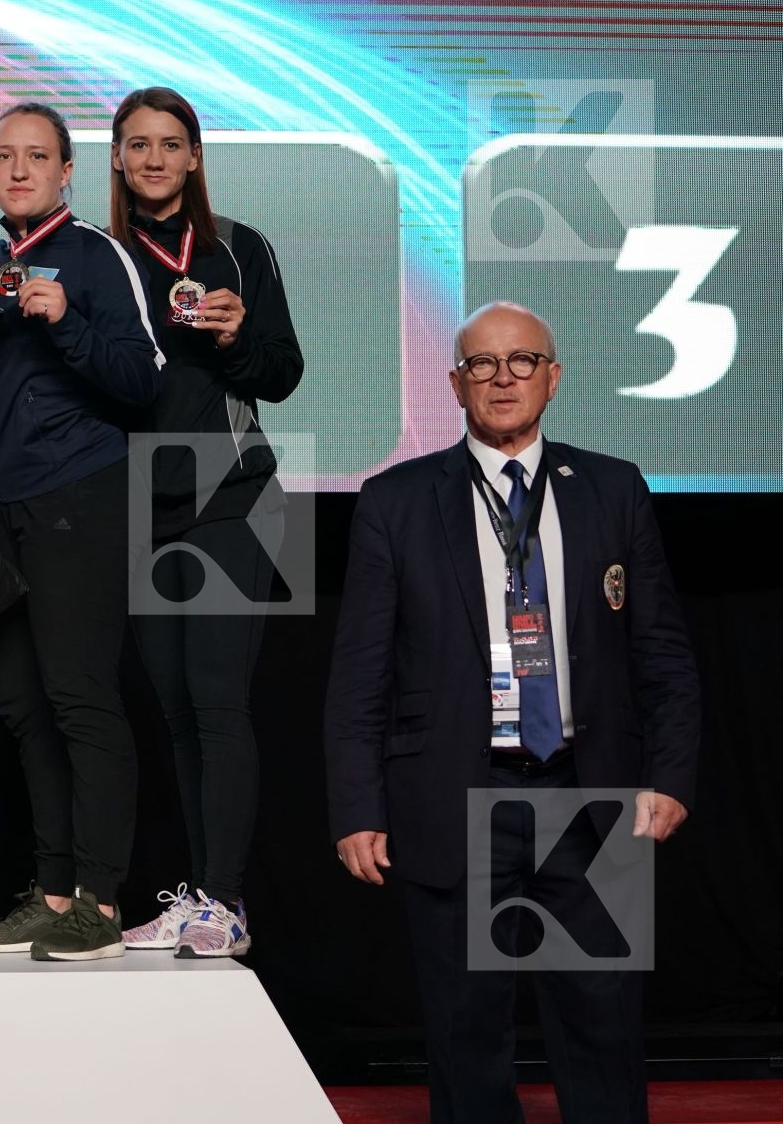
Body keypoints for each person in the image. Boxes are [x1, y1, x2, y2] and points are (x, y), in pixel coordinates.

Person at [324, 301, 700, 1123]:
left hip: (588, 794)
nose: (503, 379)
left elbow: (662, 650)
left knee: (602, 1029)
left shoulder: (613, 487)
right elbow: (360, 673)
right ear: (455, 382)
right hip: (453, 796)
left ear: (553, 378)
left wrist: (671, 775)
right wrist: (357, 807)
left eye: (522, 361)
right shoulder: (395, 499)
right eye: (483, 365)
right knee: (466, 1036)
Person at [0, 101, 166, 962]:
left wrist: (65, 320)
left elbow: (144, 381)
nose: (18, 170)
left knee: (81, 697)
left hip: (82, 494)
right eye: (4, 156)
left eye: (36, 156)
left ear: (67, 170)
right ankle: (49, 894)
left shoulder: (95, 253)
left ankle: (103, 902)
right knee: (23, 706)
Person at [107, 87, 304, 958]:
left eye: (170, 143)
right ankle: (198, 897)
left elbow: (284, 373)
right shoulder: (98, 253)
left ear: (194, 156)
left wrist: (233, 337)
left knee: (220, 703)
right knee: (175, 710)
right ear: (116, 157)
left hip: (235, 490)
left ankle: (226, 899)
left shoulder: (240, 247)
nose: (154, 158)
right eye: (138, 144)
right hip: (137, 498)